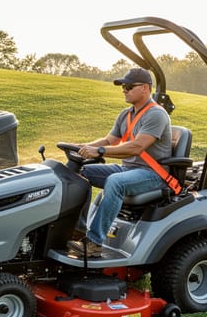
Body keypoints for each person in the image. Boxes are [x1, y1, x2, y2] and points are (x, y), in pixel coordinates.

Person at [67, 67, 173, 258]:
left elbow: (136, 147)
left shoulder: (156, 114)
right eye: (123, 86)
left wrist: (99, 151)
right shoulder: (126, 114)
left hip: (153, 175)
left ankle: (94, 243)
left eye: (129, 86)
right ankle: (78, 229)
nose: (124, 90)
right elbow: (109, 141)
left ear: (145, 88)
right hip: (128, 169)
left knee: (115, 182)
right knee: (80, 172)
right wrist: (83, 146)